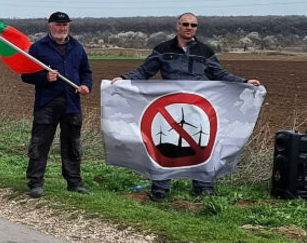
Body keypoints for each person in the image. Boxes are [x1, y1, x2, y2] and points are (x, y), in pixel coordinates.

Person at [112, 12, 263, 200]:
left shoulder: (205, 51)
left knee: (202, 145)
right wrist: (124, 79)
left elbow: (219, 74)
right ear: (178, 26)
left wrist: (244, 82)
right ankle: (160, 190)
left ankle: (203, 188)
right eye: (185, 24)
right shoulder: (163, 49)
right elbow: (144, 71)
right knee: (164, 145)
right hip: (170, 108)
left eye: (193, 25)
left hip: (197, 109)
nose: (189, 28)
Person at [21, 12, 93, 199]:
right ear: (50, 26)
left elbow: (86, 71)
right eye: (58, 25)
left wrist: (86, 85)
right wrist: (44, 77)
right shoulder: (38, 48)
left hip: (72, 103)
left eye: (65, 25)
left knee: (72, 144)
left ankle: (74, 182)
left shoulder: (77, 47)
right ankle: (35, 183)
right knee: (40, 143)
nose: (62, 28)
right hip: (47, 103)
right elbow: (26, 75)